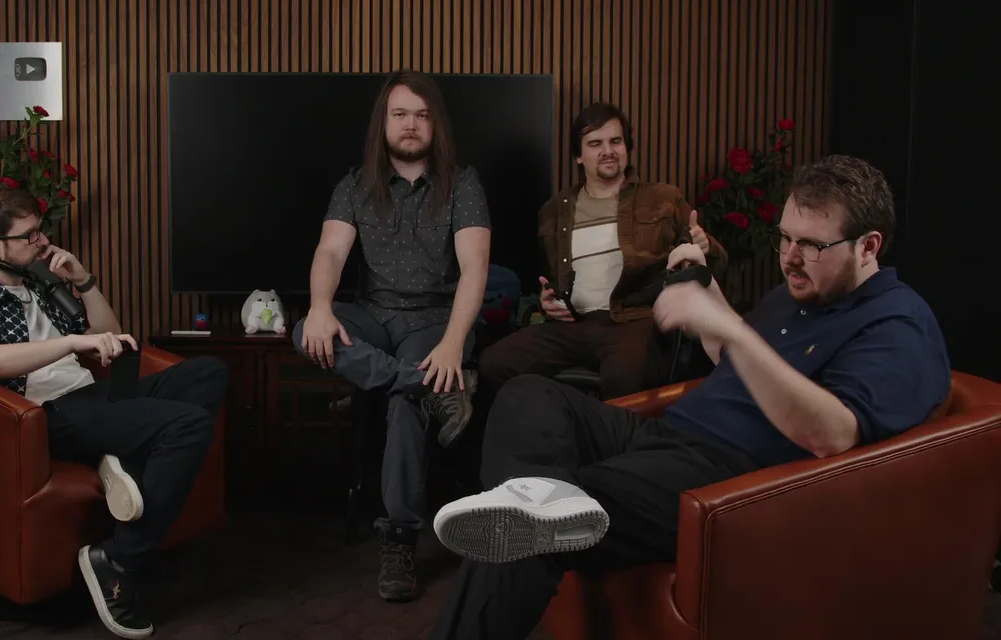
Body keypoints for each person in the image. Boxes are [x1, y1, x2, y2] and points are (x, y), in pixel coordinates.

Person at [426, 155, 950, 639]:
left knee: (543, 510)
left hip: (729, 476)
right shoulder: (802, 290)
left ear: (868, 246)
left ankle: (534, 516)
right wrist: (706, 294)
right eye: (784, 238)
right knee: (530, 395)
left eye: (811, 245)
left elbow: (832, 434)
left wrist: (731, 329)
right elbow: (736, 360)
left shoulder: (897, 325)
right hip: (669, 432)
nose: (790, 258)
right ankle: (534, 506)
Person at [0, 186, 227, 640]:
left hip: (92, 394)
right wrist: (70, 342)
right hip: (46, 413)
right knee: (188, 424)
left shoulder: (39, 282)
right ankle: (118, 561)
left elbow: (108, 334)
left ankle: (123, 457)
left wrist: (84, 280)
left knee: (208, 372)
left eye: (40, 230)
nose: (43, 241)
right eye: (30, 235)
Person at [293, 68, 492, 601]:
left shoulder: (463, 184)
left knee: (404, 408)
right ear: (383, 122)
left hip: (434, 322)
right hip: (373, 316)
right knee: (306, 329)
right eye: (400, 114)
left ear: (435, 124)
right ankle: (428, 386)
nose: (410, 125)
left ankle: (400, 540)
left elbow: (475, 268)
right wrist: (320, 307)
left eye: (422, 116)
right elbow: (330, 251)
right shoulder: (355, 185)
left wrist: (453, 344)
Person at [477, 102, 727, 400]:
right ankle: (555, 422)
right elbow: (550, 280)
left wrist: (706, 246)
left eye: (615, 141)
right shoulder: (553, 212)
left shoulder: (663, 198)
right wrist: (547, 301)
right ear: (578, 156)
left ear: (627, 148)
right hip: (574, 325)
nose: (608, 151)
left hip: (636, 320)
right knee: (493, 363)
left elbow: (715, 266)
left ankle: (610, 430)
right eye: (595, 143)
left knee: (624, 377)